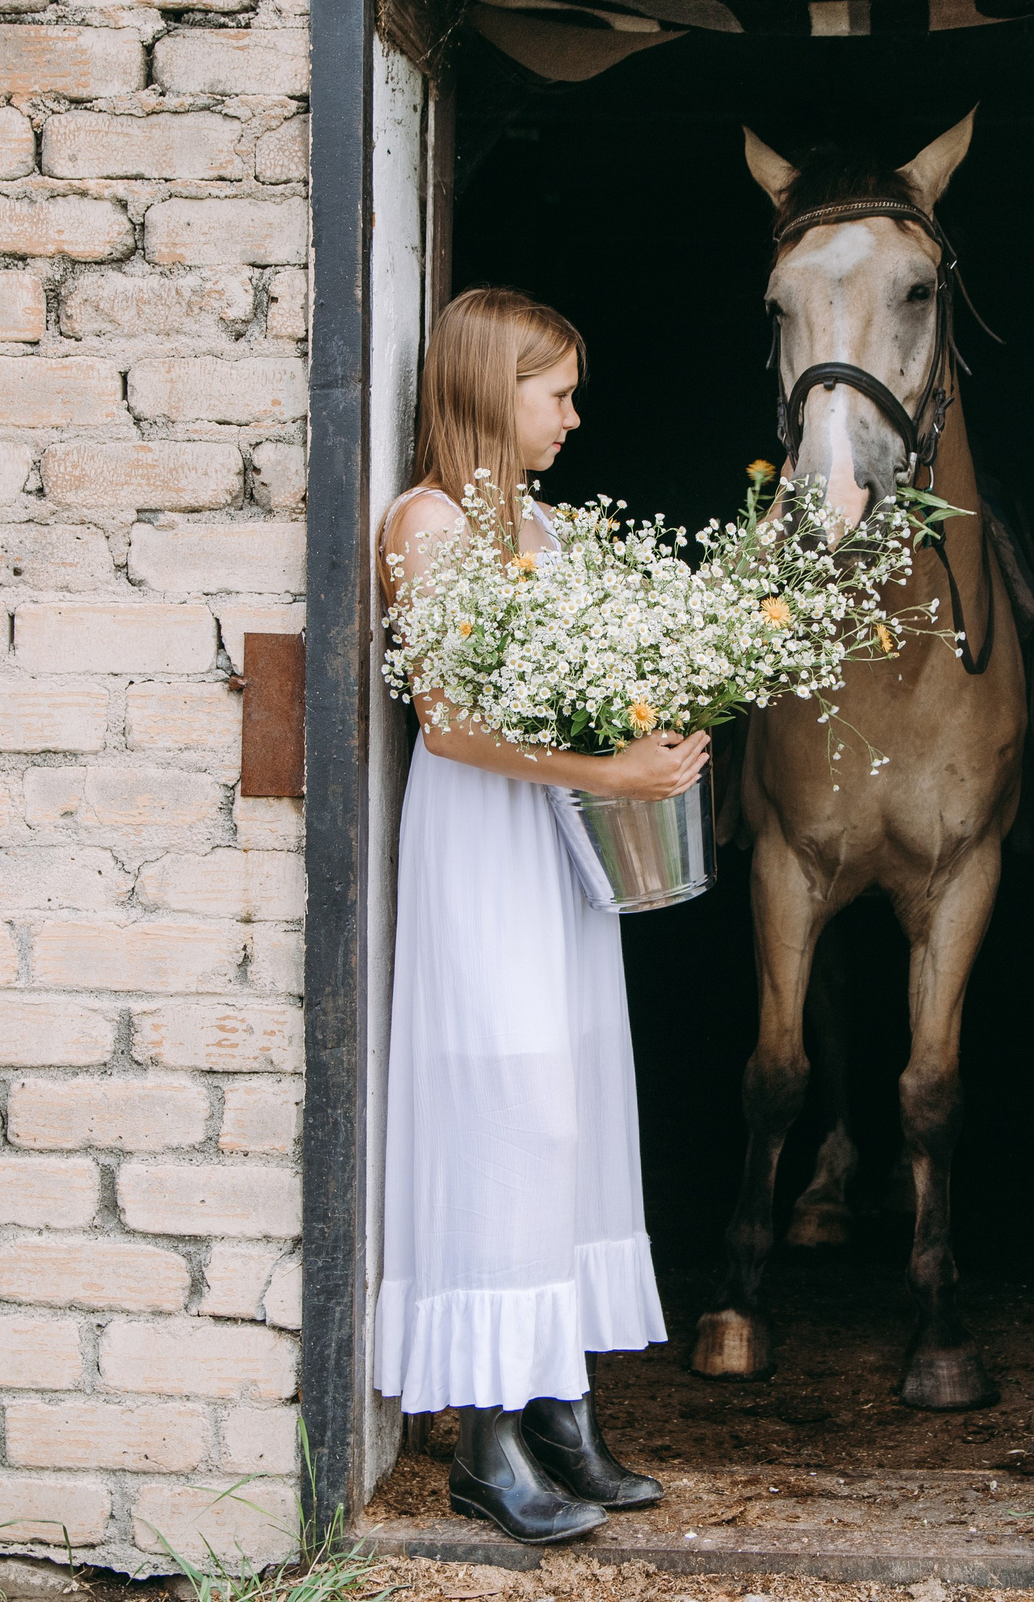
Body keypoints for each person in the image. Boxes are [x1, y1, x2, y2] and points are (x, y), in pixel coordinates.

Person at [374, 287, 709, 1545]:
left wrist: (660, 710)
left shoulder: (550, 529)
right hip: (480, 845)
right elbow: (452, 726)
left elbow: (579, 692)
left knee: (569, 1109)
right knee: (503, 1112)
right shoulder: (429, 526)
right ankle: (485, 1439)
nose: (574, 414)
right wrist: (610, 774)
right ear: (484, 389)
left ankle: (561, 1401)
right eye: (555, 392)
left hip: (554, 852)